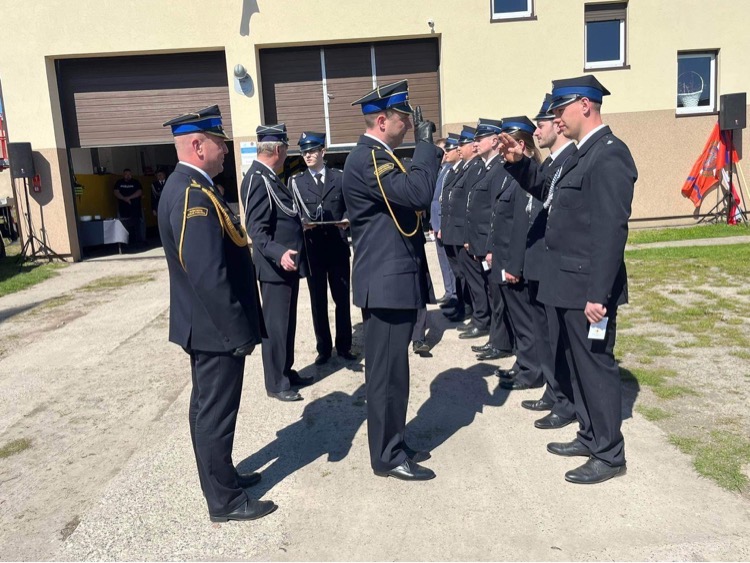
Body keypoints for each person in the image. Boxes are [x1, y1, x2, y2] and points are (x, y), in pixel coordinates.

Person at [500, 75, 637, 484]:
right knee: (577, 366)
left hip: (588, 290)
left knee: (595, 368)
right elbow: (547, 190)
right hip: (567, 285)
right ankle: (590, 435)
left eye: (561, 110)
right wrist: (519, 163)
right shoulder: (580, 154)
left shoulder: (609, 154)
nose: (556, 118)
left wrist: (599, 293)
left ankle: (609, 455)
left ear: (585, 105)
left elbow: (611, 231)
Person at [158, 105, 276, 522]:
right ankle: (225, 501)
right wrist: (236, 331)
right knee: (215, 414)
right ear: (197, 145)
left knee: (208, 410)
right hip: (215, 330)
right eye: (220, 143)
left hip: (207, 327)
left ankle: (221, 478)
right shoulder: (193, 194)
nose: (226, 150)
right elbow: (208, 273)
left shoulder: (191, 186)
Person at [343, 79, 442, 481]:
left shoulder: (380, 156)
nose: (410, 122)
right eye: (404, 116)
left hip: (393, 282)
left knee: (394, 374)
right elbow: (417, 193)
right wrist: (425, 146)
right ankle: (386, 456)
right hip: (385, 285)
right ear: (382, 121)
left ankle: (394, 442)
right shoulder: (369, 158)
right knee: (386, 377)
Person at [242, 123, 313, 402]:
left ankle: (286, 370)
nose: (287, 153)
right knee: (275, 327)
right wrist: (279, 252)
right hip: (275, 267)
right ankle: (276, 383)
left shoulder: (269, 177)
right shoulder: (257, 179)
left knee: (287, 324)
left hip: (287, 266)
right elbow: (256, 229)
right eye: (286, 148)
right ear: (278, 150)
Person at [521, 94, 578, 429]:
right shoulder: (551, 164)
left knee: (558, 337)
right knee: (545, 334)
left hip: (556, 263)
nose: (537, 130)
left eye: (541, 123)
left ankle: (564, 400)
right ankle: (553, 390)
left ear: (558, 125)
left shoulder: (570, 159)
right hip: (541, 261)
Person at [289, 131, 356, 365]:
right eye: (304, 152)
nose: (307, 156)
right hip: (313, 250)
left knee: (341, 299)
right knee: (318, 302)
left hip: (337, 247)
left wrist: (347, 219)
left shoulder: (339, 177)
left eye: (312, 151)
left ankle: (344, 346)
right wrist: (301, 224)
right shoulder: (296, 182)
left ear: (322, 151)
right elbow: (293, 213)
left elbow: (351, 205)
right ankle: (324, 348)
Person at [490, 116, 545, 392]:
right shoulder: (514, 175)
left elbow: (523, 225)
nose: (501, 151)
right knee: (519, 320)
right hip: (507, 258)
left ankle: (531, 371)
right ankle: (524, 363)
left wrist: (514, 265)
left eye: (506, 144)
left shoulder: (532, 177)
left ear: (521, 145)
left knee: (526, 324)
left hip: (517, 263)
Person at [467, 118, 514, 362]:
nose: (475, 143)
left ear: (495, 141)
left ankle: (501, 343)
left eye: (480, 139)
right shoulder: (486, 168)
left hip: (491, 245)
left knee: (498, 297)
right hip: (483, 244)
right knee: (492, 294)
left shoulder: (499, 168)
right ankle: (496, 340)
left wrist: (489, 247)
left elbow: (496, 212)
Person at [440, 125, 482, 326]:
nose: (457, 149)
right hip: (452, 232)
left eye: (461, 145)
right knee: (460, 275)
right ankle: (465, 307)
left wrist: (467, 235)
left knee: (471, 277)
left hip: (461, 232)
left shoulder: (474, 168)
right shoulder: (459, 170)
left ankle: (478, 315)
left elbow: (469, 205)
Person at [430, 134, 459, 308]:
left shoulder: (450, 169)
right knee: (443, 261)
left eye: (445, 150)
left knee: (450, 262)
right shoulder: (441, 170)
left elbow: (444, 199)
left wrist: (441, 224)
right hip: (436, 222)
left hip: (443, 223)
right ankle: (449, 292)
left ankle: (454, 294)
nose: (443, 154)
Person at [114, 168, 143, 245]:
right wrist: (124, 199)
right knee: (125, 225)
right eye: (126, 174)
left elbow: (139, 192)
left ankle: (139, 241)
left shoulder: (135, 182)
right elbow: (116, 192)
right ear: (123, 175)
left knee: (137, 224)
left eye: (129, 174)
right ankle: (127, 242)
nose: (128, 176)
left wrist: (129, 198)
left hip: (135, 208)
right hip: (123, 208)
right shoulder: (119, 182)